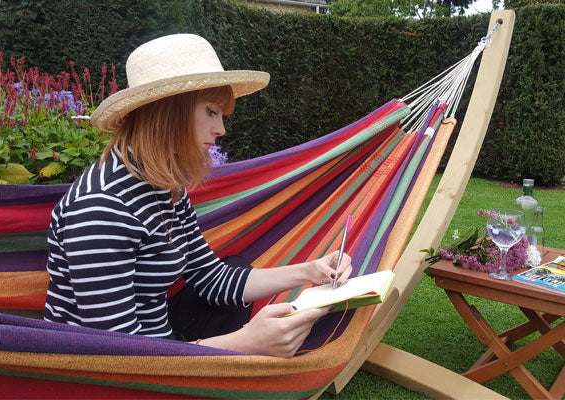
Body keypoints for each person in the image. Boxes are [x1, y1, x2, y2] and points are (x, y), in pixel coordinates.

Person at [44, 33, 352, 357]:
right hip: (108, 371)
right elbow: (117, 355)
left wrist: (310, 271)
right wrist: (247, 342)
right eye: (211, 111)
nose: (221, 129)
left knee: (235, 266)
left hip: (157, 341)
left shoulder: (166, 184)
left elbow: (209, 277)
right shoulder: (101, 208)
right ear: (167, 111)